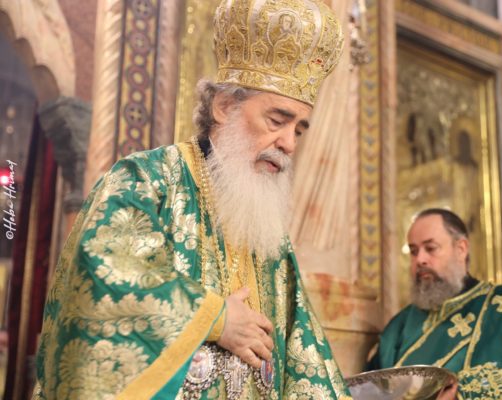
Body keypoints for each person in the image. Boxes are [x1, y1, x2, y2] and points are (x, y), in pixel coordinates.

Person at [33, 0, 350, 399]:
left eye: (299, 130)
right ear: (224, 107)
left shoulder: (270, 237)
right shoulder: (146, 181)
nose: (288, 143)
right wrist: (214, 318)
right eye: (277, 120)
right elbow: (103, 280)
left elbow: (306, 362)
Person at [366, 208, 502, 399]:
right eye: (413, 251)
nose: (420, 259)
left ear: (461, 249)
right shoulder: (399, 328)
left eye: (431, 248)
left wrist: (468, 391)